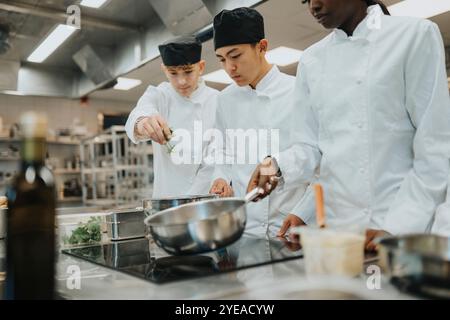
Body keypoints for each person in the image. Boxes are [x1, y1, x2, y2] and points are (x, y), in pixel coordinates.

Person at [246, 0, 450, 249]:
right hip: (340, 231)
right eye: (306, 0)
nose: (313, 6)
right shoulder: (312, 60)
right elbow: (314, 149)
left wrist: (398, 226)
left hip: (400, 224)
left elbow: (435, 149)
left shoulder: (413, 35)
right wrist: (277, 166)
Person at [209, 7, 307, 237]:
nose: (229, 68)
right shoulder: (225, 99)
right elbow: (223, 152)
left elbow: (317, 157)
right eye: (222, 59)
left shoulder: (298, 91)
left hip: (292, 223)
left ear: (262, 47)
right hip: (246, 228)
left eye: (235, 56)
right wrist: (220, 177)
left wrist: (306, 212)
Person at [125, 35, 218, 198]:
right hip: (167, 201)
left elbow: (217, 158)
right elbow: (139, 113)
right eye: (173, 73)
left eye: (188, 72)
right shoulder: (160, 95)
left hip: (206, 200)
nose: (181, 81)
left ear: (201, 67)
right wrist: (143, 123)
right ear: (164, 70)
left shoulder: (217, 100)